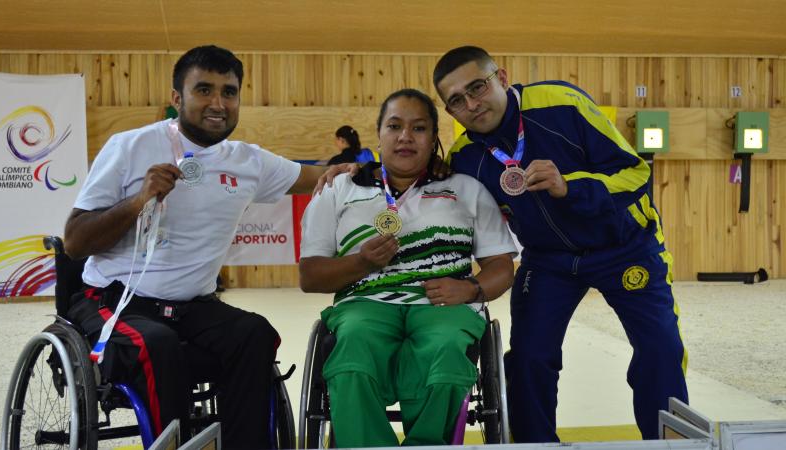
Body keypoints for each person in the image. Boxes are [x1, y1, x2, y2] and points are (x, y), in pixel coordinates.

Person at [62, 45, 347, 449]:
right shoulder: (128, 147)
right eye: (204, 90)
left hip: (194, 306)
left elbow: (321, 177)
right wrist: (138, 199)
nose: (218, 103)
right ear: (177, 98)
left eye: (229, 93)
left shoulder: (248, 161)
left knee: (255, 333)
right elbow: (74, 241)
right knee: (156, 345)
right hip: (117, 300)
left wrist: (377, 172)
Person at [432, 46, 689, 442]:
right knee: (530, 358)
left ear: (501, 78)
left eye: (477, 87)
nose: (472, 104)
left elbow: (636, 173)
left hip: (625, 247)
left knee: (660, 348)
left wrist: (572, 186)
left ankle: (666, 442)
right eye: (457, 101)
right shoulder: (465, 159)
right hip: (549, 262)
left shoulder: (561, 104)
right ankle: (536, 444)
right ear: (451, 113)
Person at [299, 88, 516, 448]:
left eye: (419, 128)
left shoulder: (466, 188)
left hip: (443, 305)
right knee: (351, 356)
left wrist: (472, 289)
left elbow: (501, 267)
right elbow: (310, 277)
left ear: (433, 139)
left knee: (446, 357)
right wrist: (362, 262)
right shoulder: (340, 188)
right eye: (395, 126)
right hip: (365, 303)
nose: (405, 137)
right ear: (379, 134)